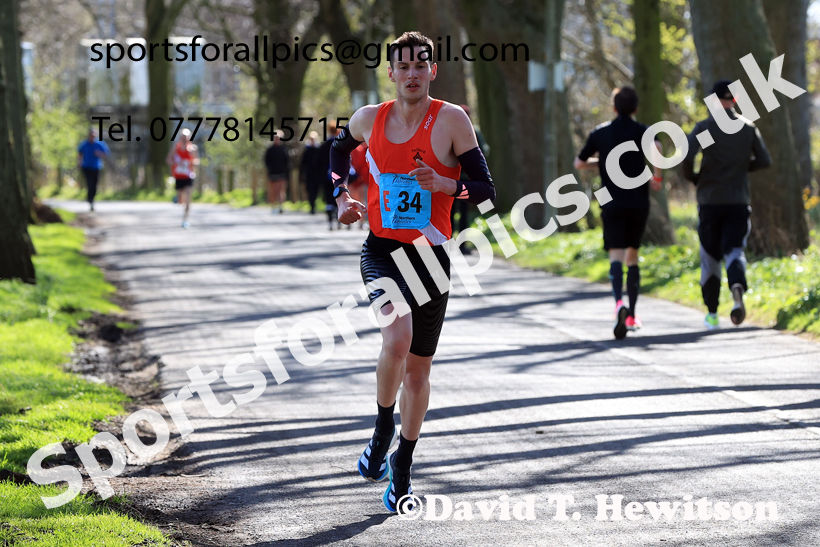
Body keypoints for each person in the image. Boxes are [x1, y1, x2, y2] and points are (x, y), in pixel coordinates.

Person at [329, 31, 495, 514]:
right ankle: (381, 433)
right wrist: (342, 198)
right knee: (396, 338)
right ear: (392, 73)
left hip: (431, 256)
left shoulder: (451, 120)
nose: (413, 73)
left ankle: (401, 465)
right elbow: (338, 154)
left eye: (422, 64)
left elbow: (486, 191)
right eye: (404, 66)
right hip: (381, 251)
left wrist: (449, 184)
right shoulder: (368, 119)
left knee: (419, 370)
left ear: (433, 70)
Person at [574, 86, 663, 340]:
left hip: (610, 202)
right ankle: (633, 314)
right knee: (632, 257)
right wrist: (657, 177)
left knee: (616, 256)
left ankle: (618, 305)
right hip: (638, 202)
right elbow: (656, 146)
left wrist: (599, 162)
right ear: (635, 108)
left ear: (613, 107)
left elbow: (579, 163)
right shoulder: (643, 131)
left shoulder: (600, 132)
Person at [682, 80, 771, 329]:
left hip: (710, 200)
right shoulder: (748, 127)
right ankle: (737, 289)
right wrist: (742, 168)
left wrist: (697, 178)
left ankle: (712, 314)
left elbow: (686, 158)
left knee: (710, 256)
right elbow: (764, 160)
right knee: (734, 250)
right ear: (735, 100)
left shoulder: (705, 128)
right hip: (738, 200)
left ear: (713, 100)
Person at [450, 104, 489, 251]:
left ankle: (449, 244)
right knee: (463, 213)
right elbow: (484, 152)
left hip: (451, 180)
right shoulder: (474, 130)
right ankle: (462, 245)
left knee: (450, 212)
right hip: (467, 180)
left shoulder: (448, 130)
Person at [166, 129, 199, 228]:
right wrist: (176, 163)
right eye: (183, 136)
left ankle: (185, 219)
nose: (185, 138)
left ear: (189, 137)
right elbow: (168, 160)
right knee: (181, 199)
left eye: (186, 136)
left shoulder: (193, 148)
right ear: (180, 137)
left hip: (188, 176)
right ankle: (178, 198)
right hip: (178, 176)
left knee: (188, 197)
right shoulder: (175, 148)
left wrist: (191, 161)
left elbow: (197, 161)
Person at [77, 129, 110, 211]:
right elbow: (80, 153)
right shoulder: (84, 144)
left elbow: (106, 153)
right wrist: (79, 162)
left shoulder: (99, 144)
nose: (92, 137)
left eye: (94, 136)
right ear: (89, 136)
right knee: (89, 183)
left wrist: (98, 153)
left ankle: (91, 198)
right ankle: (90, 199)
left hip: (96, 167)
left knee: (95, 185)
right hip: (86, 167)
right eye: (91, 136)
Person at [317, 123, 342, 230]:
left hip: (326, 176)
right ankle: (339, 220)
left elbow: (318, 162)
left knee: (329, 199)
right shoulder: (341, 144)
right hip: (339, 176)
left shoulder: (323, 145)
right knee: (339, 197)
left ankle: (330, 222)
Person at [264, 130, 289, 214]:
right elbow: (266, 161)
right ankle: (273, 206)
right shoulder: (269, 150)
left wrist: (287, 173)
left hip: (282, 173)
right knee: (273, 191)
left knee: (280, 191)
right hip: (272, 173)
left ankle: (280, 206)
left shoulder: (284, 149)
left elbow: (287, 162)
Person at [299, 131, 322, 214]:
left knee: (316, 191)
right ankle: (312, 206)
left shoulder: (319, 149)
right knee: (309, 190)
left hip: (317, 174)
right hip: (309, 174)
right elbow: (302, 164)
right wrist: (302, 175)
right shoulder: (306, 150)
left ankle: (314, 205)